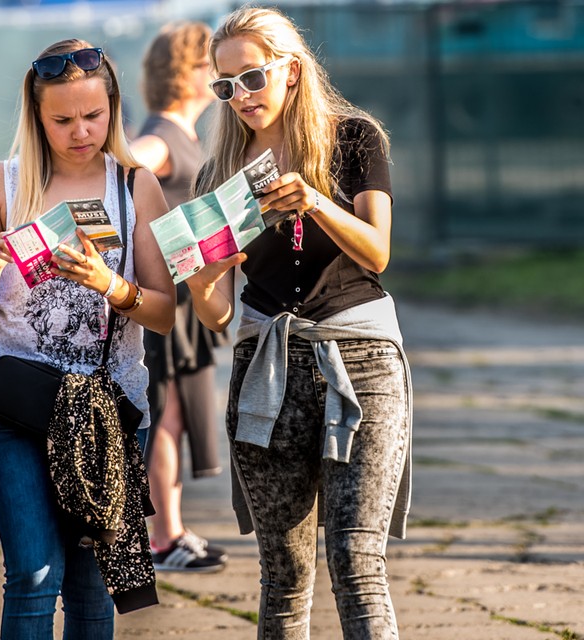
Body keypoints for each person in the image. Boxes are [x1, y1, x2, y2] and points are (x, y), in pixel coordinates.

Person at [186, 7, 413, 638]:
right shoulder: (219, 175)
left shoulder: (352, 137)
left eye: (252, 78)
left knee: (355, 558)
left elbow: (377, 252)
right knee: (282, 570)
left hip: (359, 357)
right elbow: (220, 312)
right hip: (266, 365)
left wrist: (314, 200)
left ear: (291, 68)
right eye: (226, 86)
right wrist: (204, 280)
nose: (242, 97)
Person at [0, 39, 175, 638]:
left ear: (114, 107)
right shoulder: (1, 184)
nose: (81, 131)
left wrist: (111, 285)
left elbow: (164, 314)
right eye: (63, 120)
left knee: (91, 584)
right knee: (32, 576)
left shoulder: (134, 187)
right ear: (36, 116)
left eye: (94, 115)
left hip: (108, 408)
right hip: (16, 409)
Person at [129, 20, 228, 573]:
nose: (217, 75)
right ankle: (163, 538)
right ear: (185, 73)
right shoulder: (162, 136)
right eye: (207, 64)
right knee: (163, 415)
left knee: (178, 416)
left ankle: (172, 527)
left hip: (192, 299)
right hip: (164, 300)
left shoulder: (188, 135)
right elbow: (124, 165)